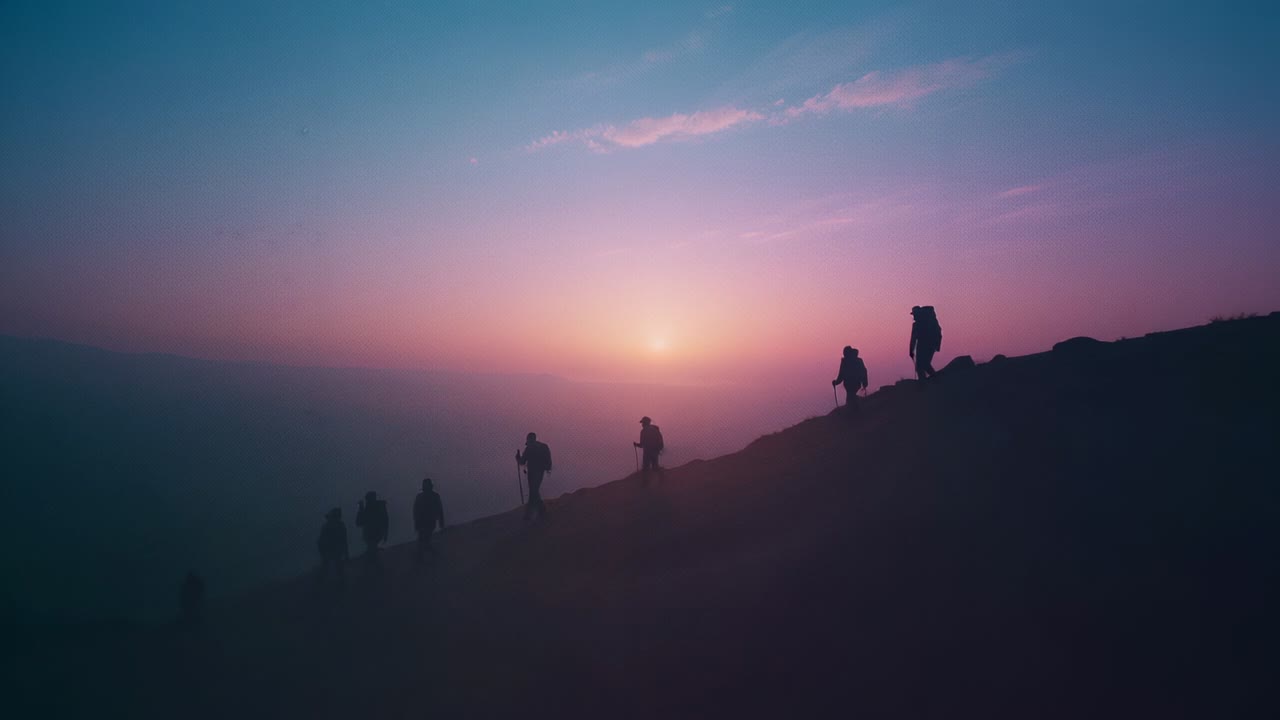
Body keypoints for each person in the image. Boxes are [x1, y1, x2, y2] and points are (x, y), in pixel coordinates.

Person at [515, 432, 552, 521]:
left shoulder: (529, 449)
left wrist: (517, 458)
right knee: (534, 491)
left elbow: (522, 462)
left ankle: (534, 513)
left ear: (529, 440)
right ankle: (538, 511)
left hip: (532, 473)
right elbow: (549, 461)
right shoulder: (544, 446)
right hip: (541, 472)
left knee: (533, 491)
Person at [355, 491, 389, 574]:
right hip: (374, 534)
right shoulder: (377, 507)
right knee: (372, 553)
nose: (368, 500)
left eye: (368, 499)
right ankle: (378, 571)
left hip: (373, 534)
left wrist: (361, 509)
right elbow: (360, 522)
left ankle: (377, 571)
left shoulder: (373, 508)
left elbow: (359, 522)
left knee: (372, 553)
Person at [413, 478, 445, 565]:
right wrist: (441, 521)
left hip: (429, 522)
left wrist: (441, 521)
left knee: (423, 540)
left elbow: (439, 509)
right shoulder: (424, 496)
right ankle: (427, 557)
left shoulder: (433, 496)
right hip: (425, 522)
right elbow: (416, 510)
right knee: (424, 540)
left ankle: (422, 559)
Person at [909, 306, 943, 381]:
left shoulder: (917, 325)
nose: (913, 317)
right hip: (930, 345)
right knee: (924, 365)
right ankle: (934, 380)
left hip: (922, 346)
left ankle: (926, 383)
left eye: (914, 315)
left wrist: (911, 351)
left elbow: (913, 339)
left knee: (921, 366)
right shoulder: (929, 322)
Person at [317, 507, 349, 587]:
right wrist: (346, 554)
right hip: (334, 550)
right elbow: (344, 540)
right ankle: (340, 582)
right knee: (335, 566)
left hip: (331, 550)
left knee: (328, 567)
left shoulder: (327, 526)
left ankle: (322, 583)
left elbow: (321, 541)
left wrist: (322, 551)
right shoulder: (340, 525)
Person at [832, 346, 869, 414]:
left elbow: (841, 375)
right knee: (851, 397)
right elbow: (864, 371)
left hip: (849, 384)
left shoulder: (845, 362)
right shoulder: (858, 361)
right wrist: (865, 383)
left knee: (850, 398)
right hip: (856, 383)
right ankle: (856, 413)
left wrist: (836, 382)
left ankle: (853, 414)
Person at [634, 416, 665, 482]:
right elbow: (660, 441)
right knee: (655, 466)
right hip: (655, 451)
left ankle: (646, 483)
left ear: (645, 423)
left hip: (647, 452)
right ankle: (659, 481)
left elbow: (642, 444)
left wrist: (636, 444)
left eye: (642, 423)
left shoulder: (643, 431)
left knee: (646, 467)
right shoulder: (655, 430)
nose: (642, 424)